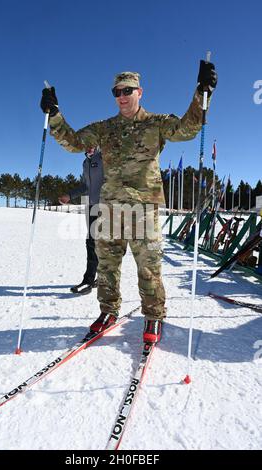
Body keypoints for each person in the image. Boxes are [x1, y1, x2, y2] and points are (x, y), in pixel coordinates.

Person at [40, 62, 217, 343]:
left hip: (143, 210)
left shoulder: (156, 123)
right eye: (117, 91)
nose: (122, 96)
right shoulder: (104, 128)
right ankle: (108, 311)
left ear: (139, 92)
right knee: (107, 266)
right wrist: (55, 115)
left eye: (127, 90)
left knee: (148, 267)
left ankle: (154, 316)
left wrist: (201, 93)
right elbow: (74, 142)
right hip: (109, 209)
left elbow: (187, 130)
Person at [59, 147, 104, 295]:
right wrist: (70, 195)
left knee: (107, 244)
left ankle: (100, 278)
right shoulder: (85, 162)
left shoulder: (104, 157)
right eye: (86, 144)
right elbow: (86, 186)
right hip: (92, 206)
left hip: (107, 205)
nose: (89, 146)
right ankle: (90, 279)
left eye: (92, 143)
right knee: (92, 242)